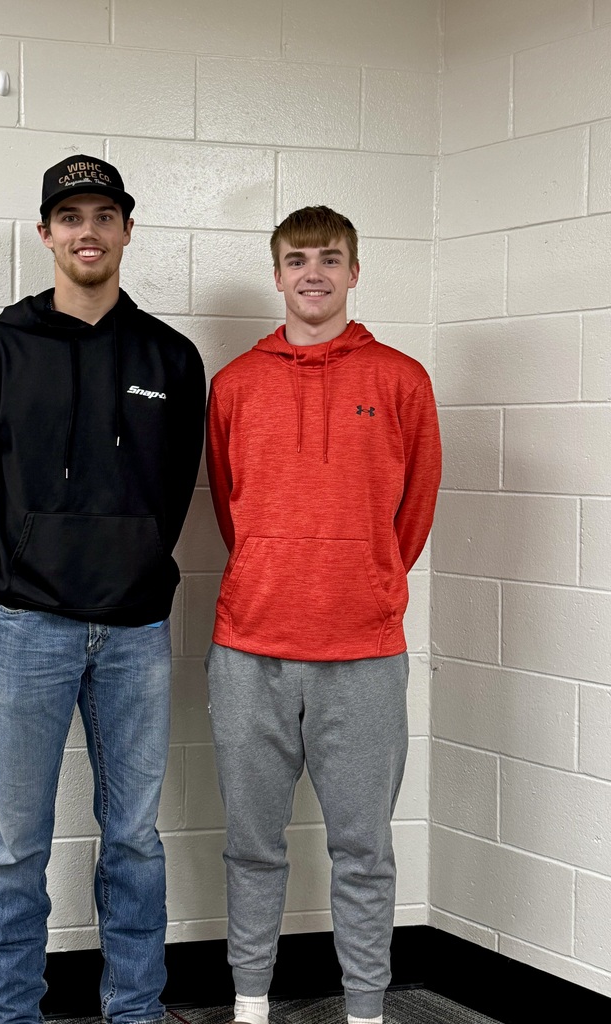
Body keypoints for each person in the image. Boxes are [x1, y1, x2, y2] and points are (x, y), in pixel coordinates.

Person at [0, 155, 206, 1024]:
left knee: (133, 839)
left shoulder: (172, 356)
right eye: (70, 217)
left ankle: (135, 1012)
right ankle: (9, 1013)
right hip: (28, 630)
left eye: (103, 215)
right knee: (15, 845)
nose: (86, 231)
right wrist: (14, 580)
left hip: (134, 633)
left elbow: (172, 493)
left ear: (128, 230)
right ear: (46, 232)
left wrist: (132, 567)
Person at [205, 206, 441, 1024]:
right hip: (249, 652)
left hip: (364, 655)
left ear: (354, 271)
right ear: (276, 275)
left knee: (364, 851)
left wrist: (357, 579)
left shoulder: (402, 379)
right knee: (252, 846)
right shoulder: (234, 384)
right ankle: (249, 1003)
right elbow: (231, 512)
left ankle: (368, 1009)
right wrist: (281, 567)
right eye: (297, 260)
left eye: (330, 259)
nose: (313, 273)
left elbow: (412, 516)